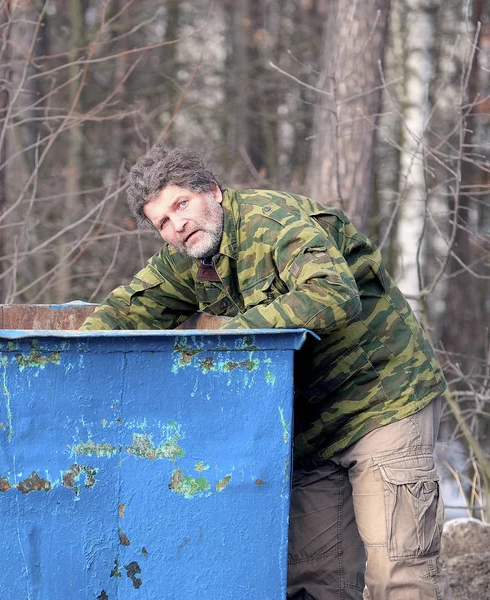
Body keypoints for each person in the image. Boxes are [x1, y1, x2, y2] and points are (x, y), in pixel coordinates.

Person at [80, 146, 451, 599]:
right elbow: (128, 311)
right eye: (162, 221)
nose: (177, 225)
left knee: (398, 570)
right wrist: (64, 363)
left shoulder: (271, 222)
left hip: (383, 401)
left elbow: (334, 291)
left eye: (181, 204)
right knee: (315, 582)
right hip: (312, 430)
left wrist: (236, 332)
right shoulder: (189, 257)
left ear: (212, 192)